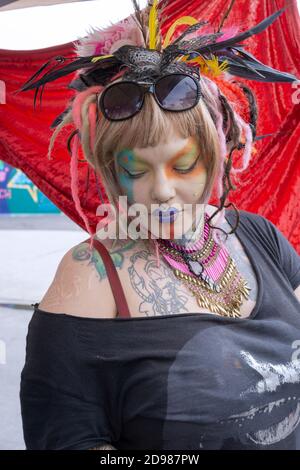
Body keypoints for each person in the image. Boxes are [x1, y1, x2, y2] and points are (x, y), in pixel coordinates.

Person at [19, 1, 300, 450]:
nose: (163, 190)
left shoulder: (259, 236)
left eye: (183, 165)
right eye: (137, 171)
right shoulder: (89, 278)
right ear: (112, 172)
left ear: (217, 152)